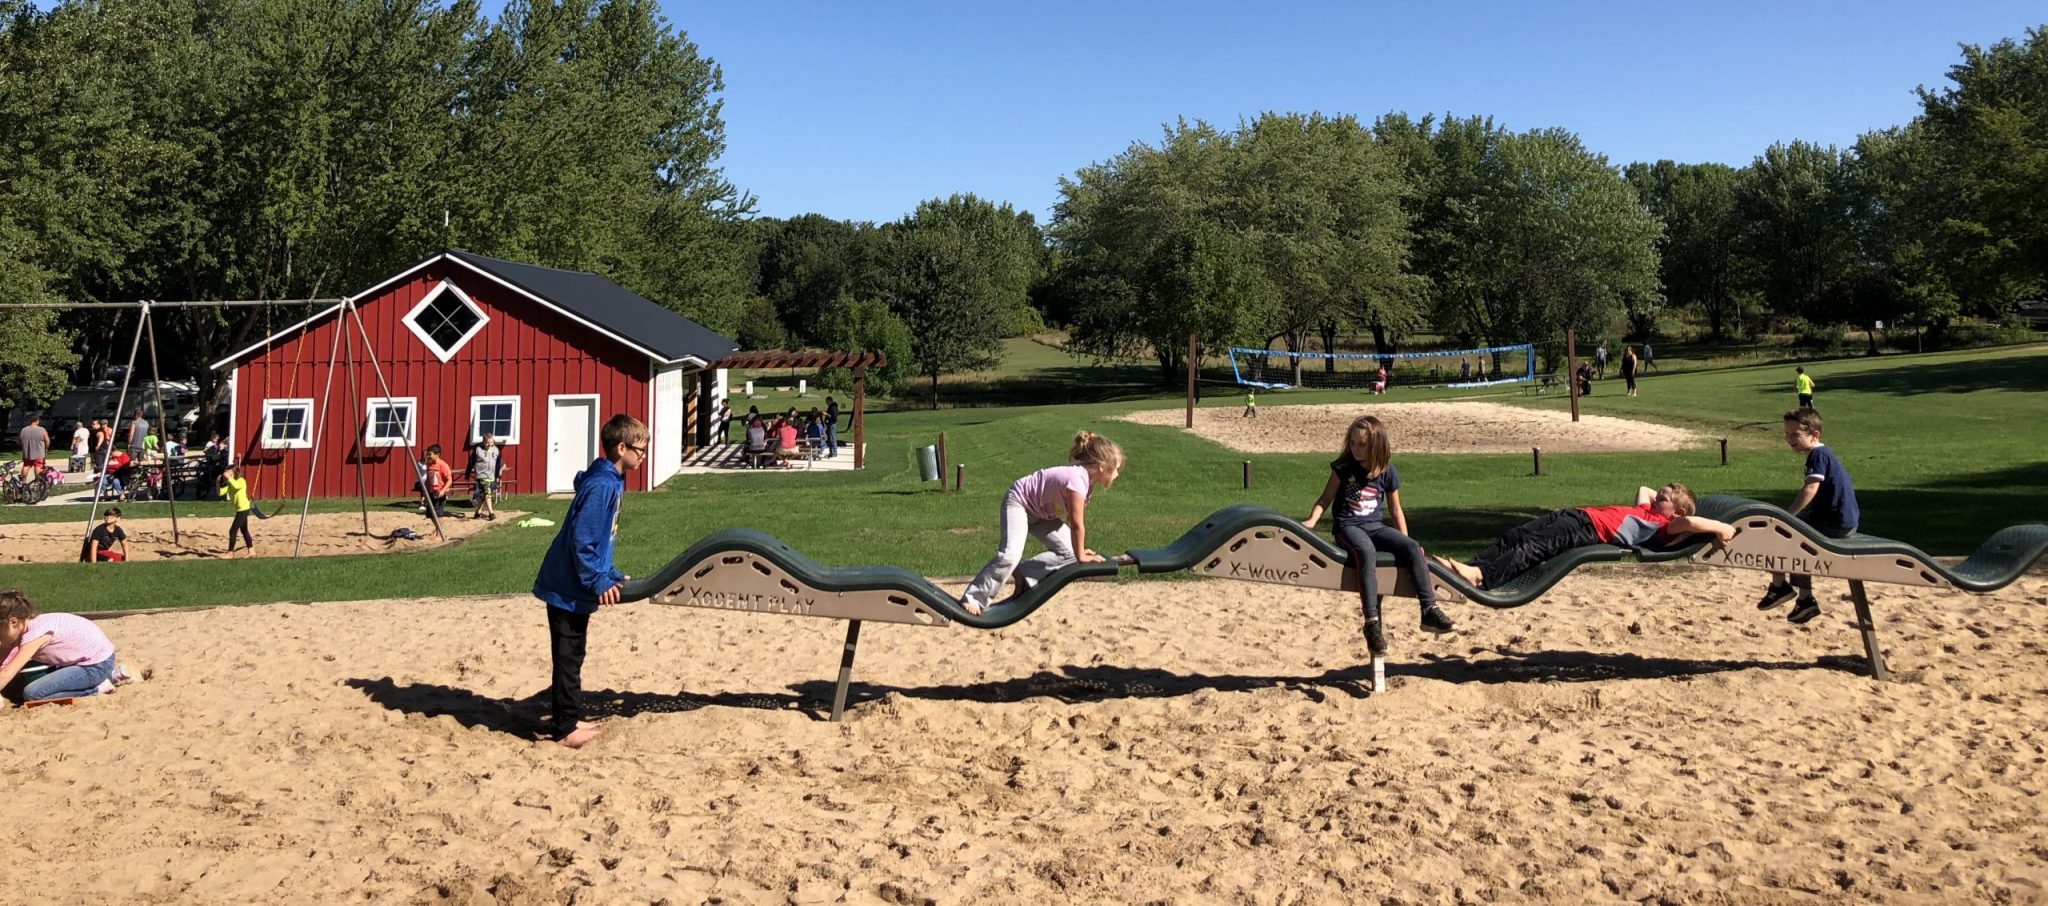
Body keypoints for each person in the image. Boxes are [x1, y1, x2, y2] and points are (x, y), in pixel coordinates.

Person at [531, 414, 645, 748]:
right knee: (567, 657)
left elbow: (600, 540)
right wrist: (597, 580)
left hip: (574, 585)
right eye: (640, 449)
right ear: (621, 448)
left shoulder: (607, 479)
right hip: (567, 586)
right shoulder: (603, 485)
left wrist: (609, 573)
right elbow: (583, 539)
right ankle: (565, 729)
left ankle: (569, 715)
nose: (643, 455)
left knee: (573, 654)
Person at [1303, 416, 1454, 652]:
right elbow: (1324, 499)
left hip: (1375, 526)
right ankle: (1371, 624)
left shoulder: (1387, 471)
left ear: (1376, 445)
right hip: (1348, 526)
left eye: (1362, 444)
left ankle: (1428, 611)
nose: (1355, 448)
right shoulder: (1343, 469)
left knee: (1413, 548)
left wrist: (1405, 539)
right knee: (1366, 551)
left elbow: (1395, 510)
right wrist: (1312, 520)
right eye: (1352, 443)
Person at [1432, 483, 1738, 591]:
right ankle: (1472, 565)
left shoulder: (1663, 529)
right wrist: (1665, 498)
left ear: (1677, 514)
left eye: (1664, 498)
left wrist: (1721, 529)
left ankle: (1481, 576)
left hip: (1589, 530)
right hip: (1578, 515)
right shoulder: (1650, 511)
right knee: (1518, 534)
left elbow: (1693, 523)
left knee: (1533, 547)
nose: (1656, 497)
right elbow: (1644, 488)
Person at [959, 431, 1124, 616]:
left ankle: (1024, 575)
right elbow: (1077, 525)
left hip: (1041, 514)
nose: (1117, 473)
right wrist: (1082, 556)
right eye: (1115, 468)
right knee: (1009, 555)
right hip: (1019, 503)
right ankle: (973, 598)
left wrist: (1080, 551)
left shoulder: (1087, 485)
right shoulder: (1078, 480)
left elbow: (1070, 518)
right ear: (1102, 467)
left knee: (1070, 554)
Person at [1755, 408, 1859, 625]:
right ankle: (1800, 597)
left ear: (1815, 434)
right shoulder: (1823, 454)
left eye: (1795, 435)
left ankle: (1783, 589)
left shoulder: (1818, 455)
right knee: (1793, 538)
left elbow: (1811, 489)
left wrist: (1789, 515)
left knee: (1780, 532)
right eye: (1787, 434)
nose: (1789, 439)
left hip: (1834, 523)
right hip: (1838, 520)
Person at [0, 590, 124, 704]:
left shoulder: (34, 635)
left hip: (96, 666)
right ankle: (109, 676)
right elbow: (4, 661)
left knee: (33, 694)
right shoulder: (29, 625)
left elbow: (8, 671)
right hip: (91, 659)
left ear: (13, 622)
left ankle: (98, 688)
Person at [216, 461, 255, 555]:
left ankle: (230, 553)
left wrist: (229, 477)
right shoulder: (230, 484)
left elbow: (236, 486)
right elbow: (220, 493)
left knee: (233, 530)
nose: (225, 475)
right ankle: (252, 551)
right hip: (240, 509)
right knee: (244, 530)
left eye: (228, 472)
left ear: (233, 473)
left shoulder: (241, 481)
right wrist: (217, 482)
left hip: (244, 508)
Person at [469, 434, 507, 521]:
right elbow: (471, 462)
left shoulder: (495, 450)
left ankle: (478, 513)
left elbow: (499, 463)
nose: (490, 444)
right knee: (487, 492)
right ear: (483, 442)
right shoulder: (478, 450)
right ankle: (491, 513)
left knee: (483, 495)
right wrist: (469, 472)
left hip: (491, 476)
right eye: (487, 443)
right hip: (482, 475)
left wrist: (498, 472)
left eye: (491, 442)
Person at [420, 444, 453, 517]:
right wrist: (424, 494)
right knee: (430, 514)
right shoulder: (429, 465)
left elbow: (449, 480)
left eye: (430, 454)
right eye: (427, 454)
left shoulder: (443, 465)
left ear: (437, 455)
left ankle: (439, 528)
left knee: (437, 515)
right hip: (431, 492)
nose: (428, 456)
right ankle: (436, 527)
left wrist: (443, 491)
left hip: (440, 493)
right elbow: (428, 480)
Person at [16, 414, 48, 482]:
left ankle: (23, 482)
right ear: (37, 421)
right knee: (38, 467)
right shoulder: (42, 430)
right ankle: (38, 482)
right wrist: (46, 448)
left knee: (26, 466)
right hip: (39, 452)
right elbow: (47, 440)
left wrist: (24, 445)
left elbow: (18, 441)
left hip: (27, 453)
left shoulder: (23, 430)